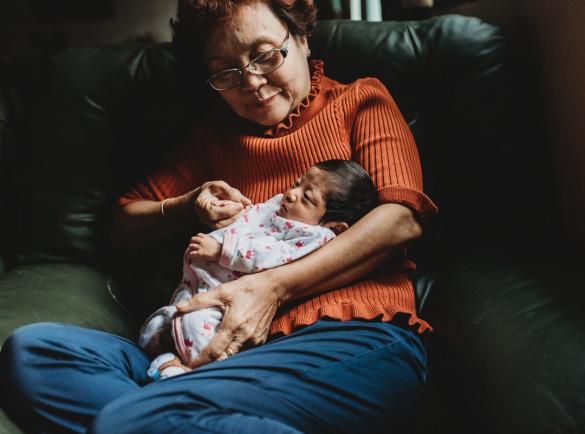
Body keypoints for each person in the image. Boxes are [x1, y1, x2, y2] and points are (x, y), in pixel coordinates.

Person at [0, 1, 439, 433]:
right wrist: (187, 204)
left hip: (345, 338)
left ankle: (157, 414)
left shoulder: (361, 99)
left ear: (302, 39)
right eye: (226, 71)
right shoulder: (212, 140)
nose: (250, 81)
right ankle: (173, 415)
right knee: (34, 352)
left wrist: (269, 288)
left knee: (132, 417)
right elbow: (122, 222)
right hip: (204, 351)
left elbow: (401, 219)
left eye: (266, 55)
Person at [141, 160, 379, 380]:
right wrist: (233, 210)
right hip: (197, 281)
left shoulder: (314, 237)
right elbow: (252, 218)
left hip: (225, 300)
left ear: (335, 226)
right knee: (158, 326)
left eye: (307, 197)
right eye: (297, 183)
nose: (292, 194)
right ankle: (166, 359)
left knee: (197, 326)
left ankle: (189, 374)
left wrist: (223, 249)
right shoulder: (280, 207)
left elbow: (269, 256)